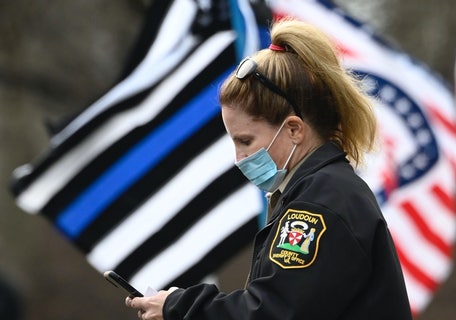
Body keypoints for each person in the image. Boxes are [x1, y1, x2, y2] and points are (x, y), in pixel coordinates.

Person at [125, 18, 412, 320]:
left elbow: (273, 313)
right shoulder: (322, 190)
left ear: (293, 130)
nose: (239, 157)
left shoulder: (318, 204)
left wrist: (179, 307)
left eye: (246, 140)